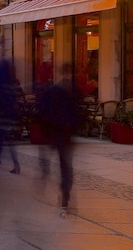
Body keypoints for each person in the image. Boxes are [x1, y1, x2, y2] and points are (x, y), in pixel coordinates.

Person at [35, 63, 83, 210]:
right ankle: (65, 193)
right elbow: (79, 113)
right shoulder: (74, 91)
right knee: (66, 165)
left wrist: (45, 131)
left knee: (53, 160)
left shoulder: (52, 91)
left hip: (55, 132)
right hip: (66, 133)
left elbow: (43, 111)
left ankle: (47, 178)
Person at [0, 59, 21, 174]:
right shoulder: (13, 83)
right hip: (10, 116)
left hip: (0, 115)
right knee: (10, 141)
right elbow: (17, 98)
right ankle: (16, 164)